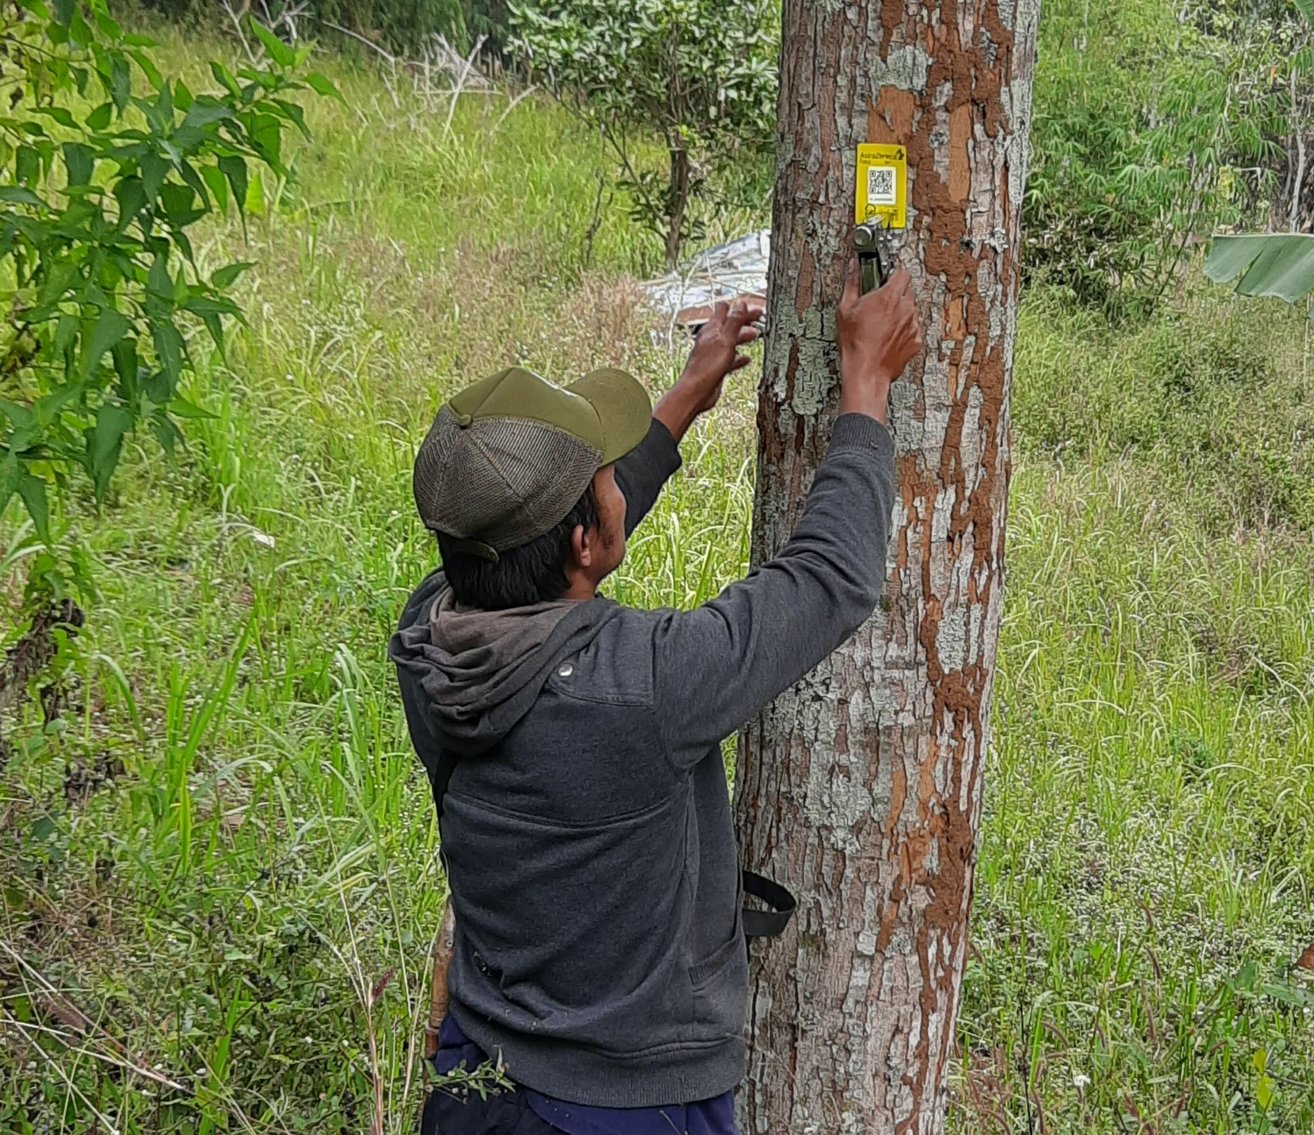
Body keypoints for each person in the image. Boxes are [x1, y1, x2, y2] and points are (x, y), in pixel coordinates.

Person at [390, 243, 922, 1135]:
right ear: (586, 543)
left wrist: (681, 402)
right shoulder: (645, 687)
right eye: (605, 474)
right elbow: (828, 580)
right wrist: (864, 392)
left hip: (477, 1081)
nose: (615, 479)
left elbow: (538, 549)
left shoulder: (424, 638)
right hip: (627, 1109)